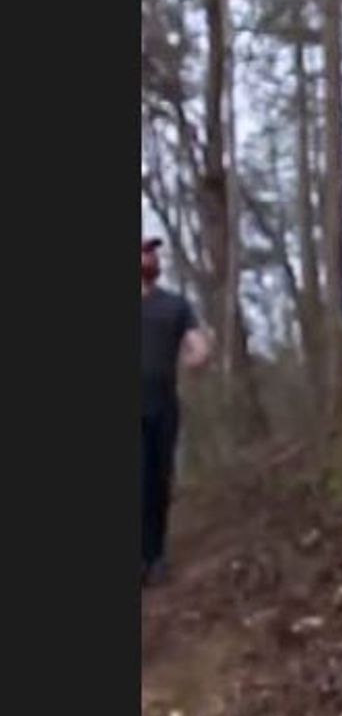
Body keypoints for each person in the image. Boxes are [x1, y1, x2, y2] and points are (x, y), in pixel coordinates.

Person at [142, 238, 209, 585]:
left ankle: (155, 556)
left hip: (163, 405)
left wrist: (197, 355)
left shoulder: (174, 305)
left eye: (153, 252)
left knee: (159, 480)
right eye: (144, 250)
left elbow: (197, 342)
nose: (150, 256)